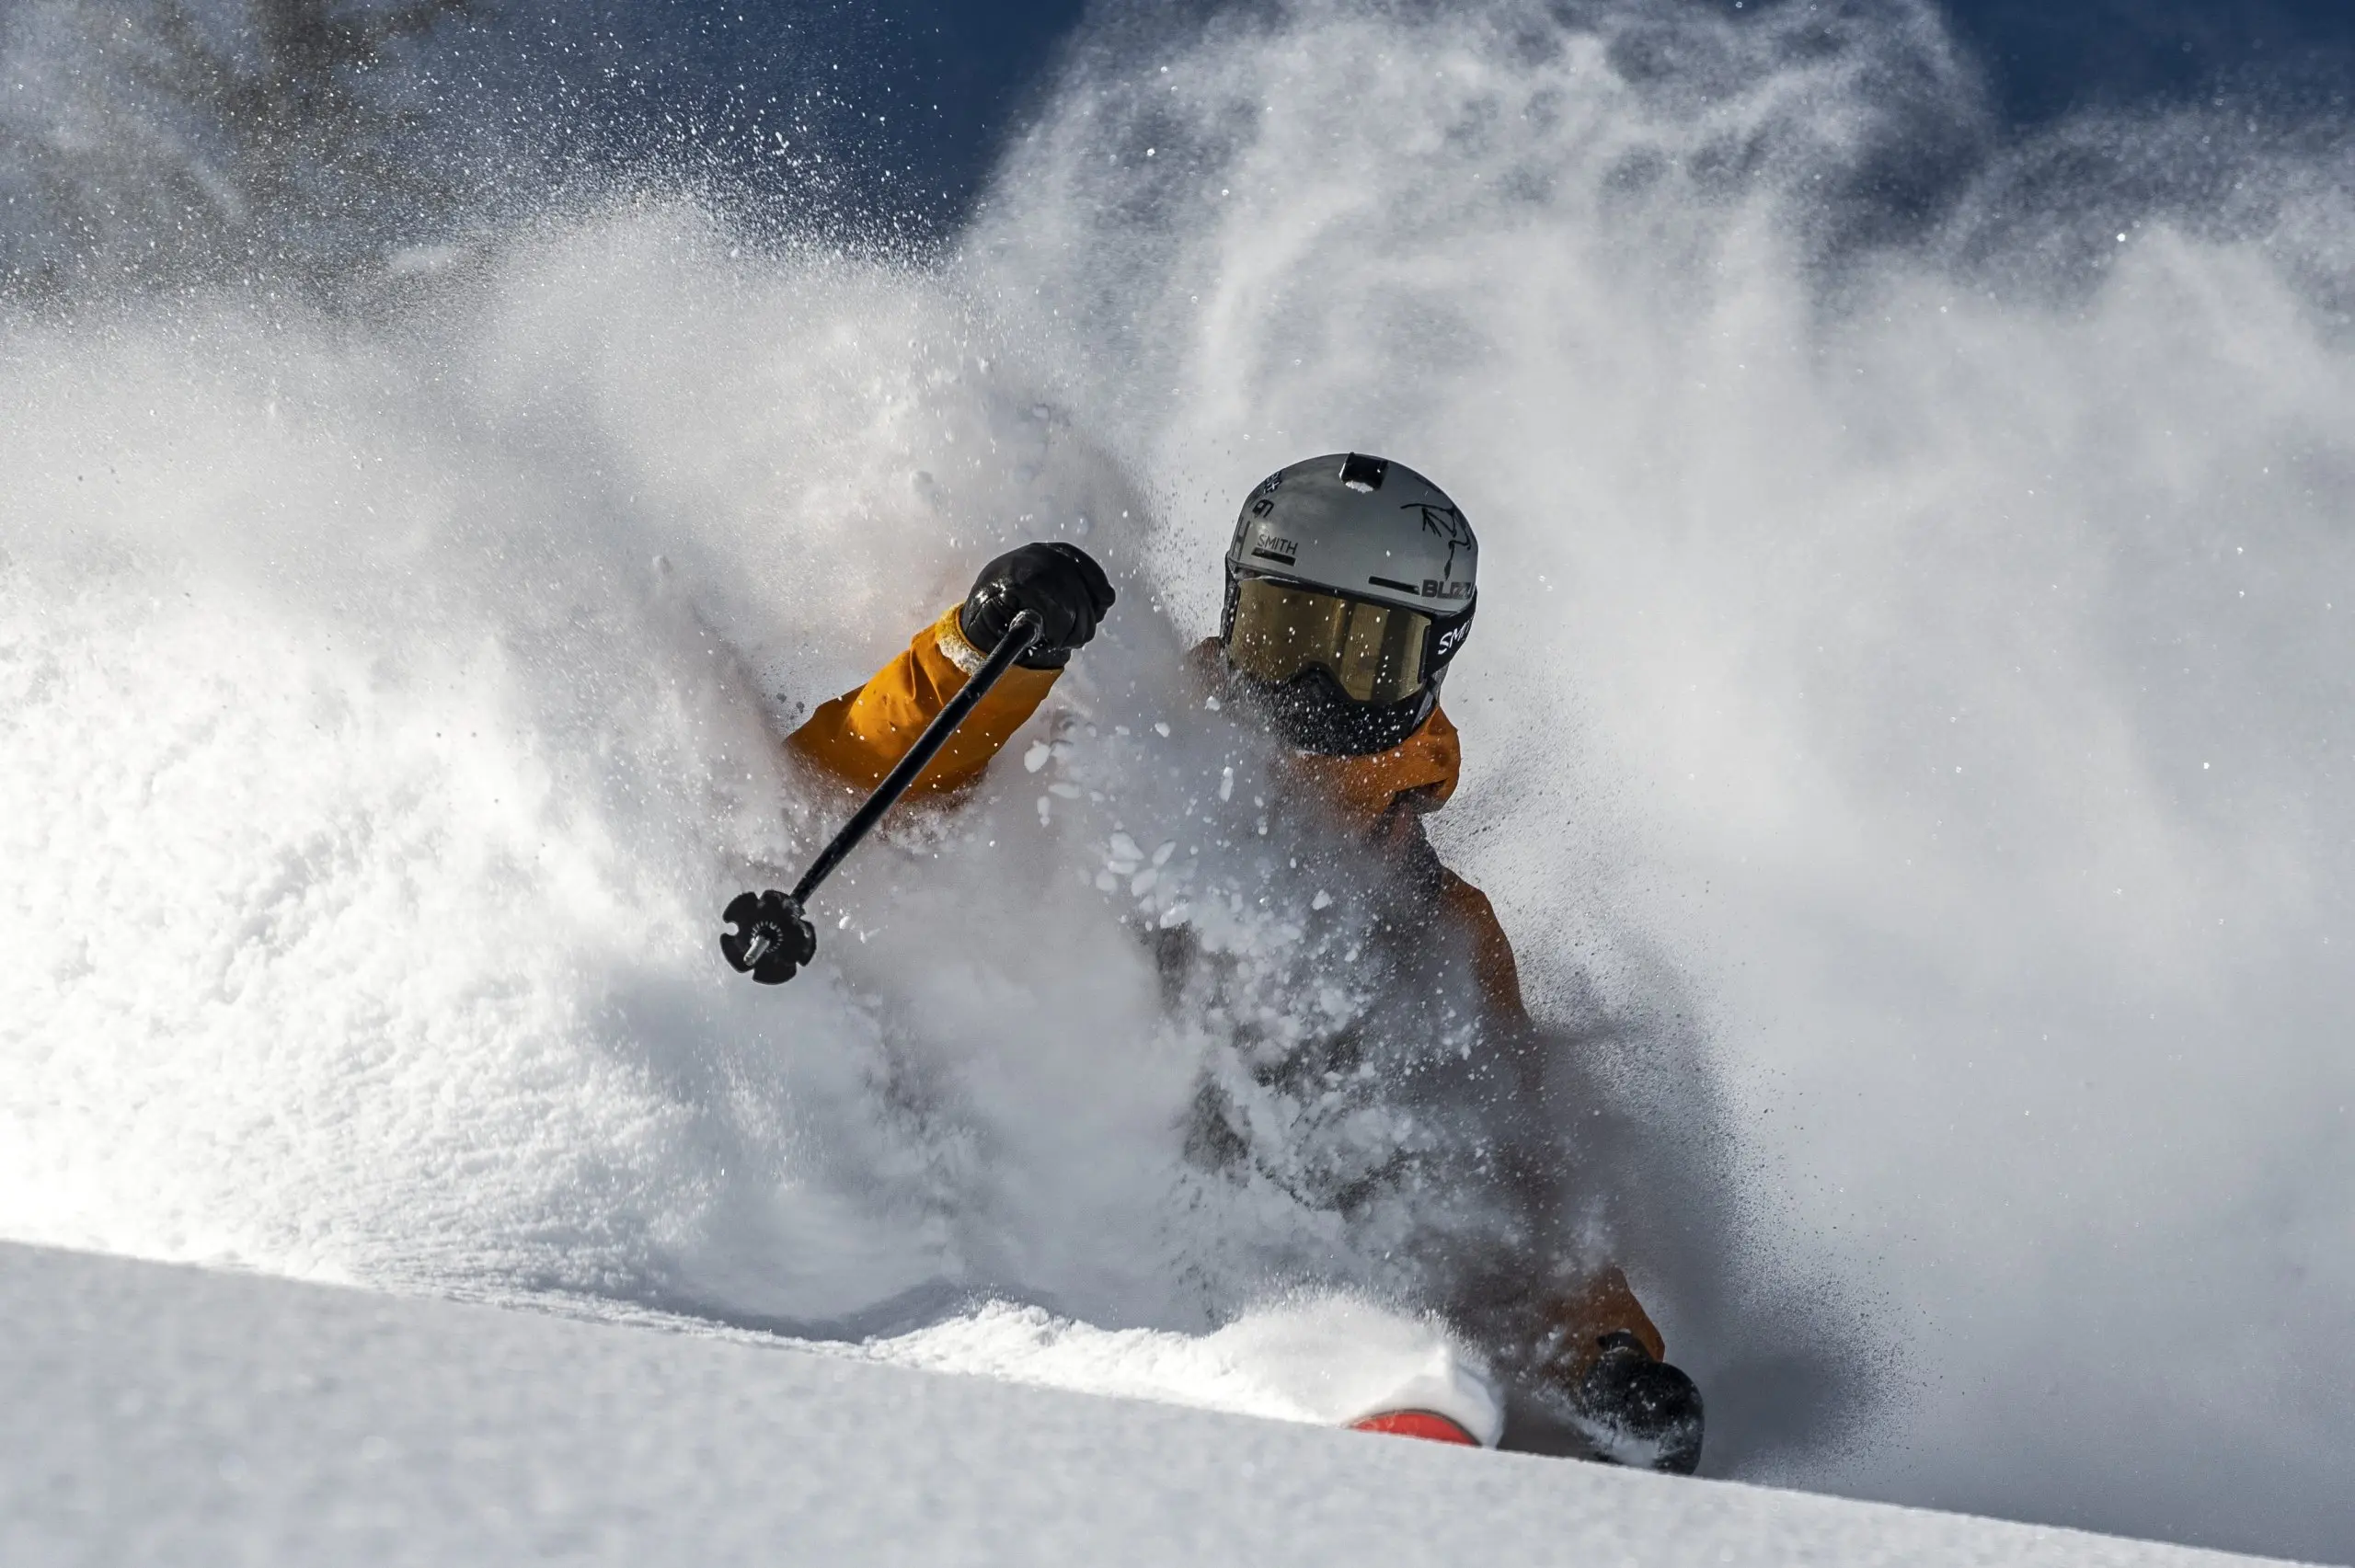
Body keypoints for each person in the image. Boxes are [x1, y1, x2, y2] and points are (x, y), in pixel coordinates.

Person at [787, 452, 1705, 1472]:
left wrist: (1602, 1358)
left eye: (1366, 656)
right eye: (1290, 637)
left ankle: (1353, 1395)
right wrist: (980, 654)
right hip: (1006, 1213)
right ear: (1236, 614)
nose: (1318, 686)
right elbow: (840, 803)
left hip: (1268, 1265)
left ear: (1431, 664)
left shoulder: (1434, 931)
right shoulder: (1123, 753)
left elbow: (1521, 1191)